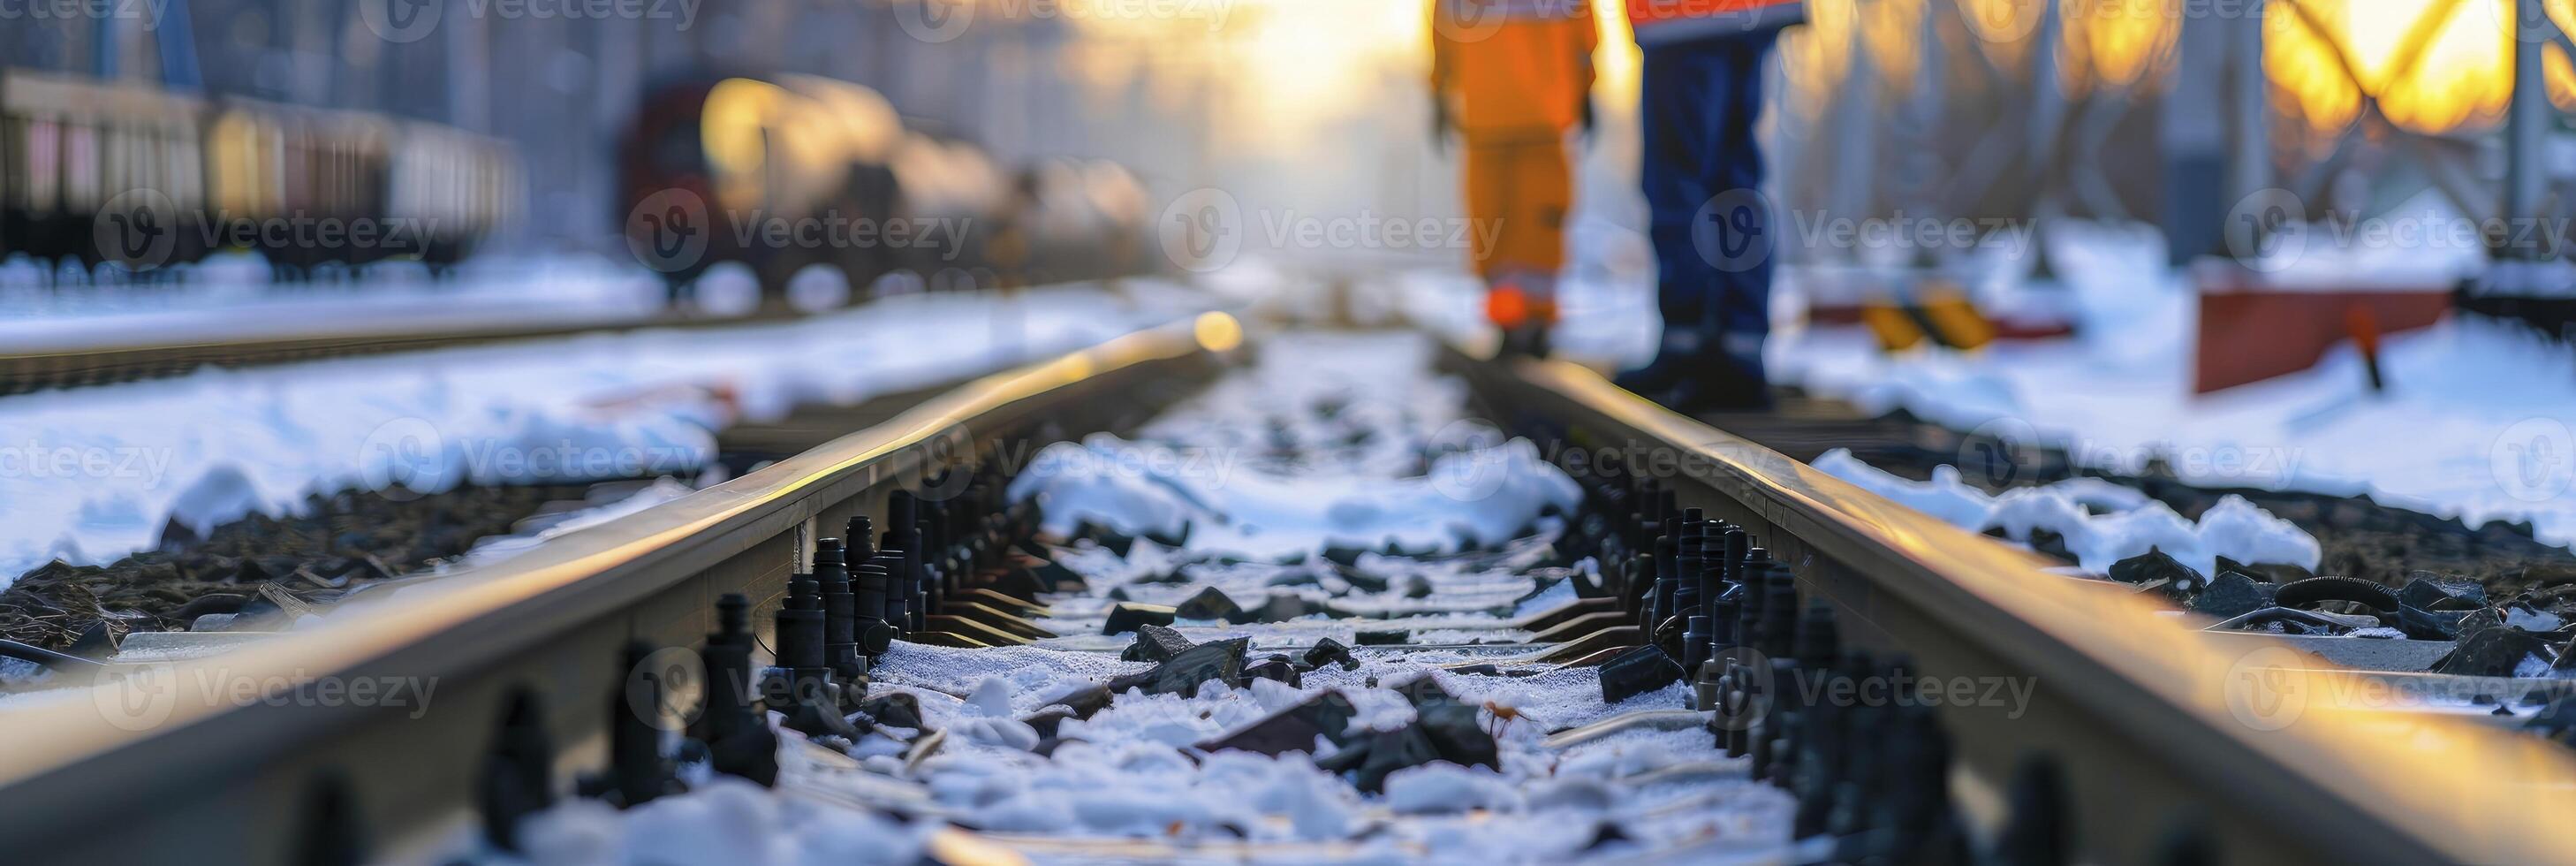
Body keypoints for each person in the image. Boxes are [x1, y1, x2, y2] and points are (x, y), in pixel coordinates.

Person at [1615, 0, 1803, 410]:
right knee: (1735, 176)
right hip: (1752, 14)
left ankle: (1689, 342)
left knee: (1679, 178)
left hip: (1683, 17)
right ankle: (1739, 347)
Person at [1429, 0, 1599, 357]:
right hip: (1544, 109)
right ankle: (1533, 322)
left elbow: (1443, 27)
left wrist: (1439, 91)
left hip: (1485, 111)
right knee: (1540, 221)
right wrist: (1586, 89)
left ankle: (1510, 321)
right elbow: (1581, 26)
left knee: (1493, 222)